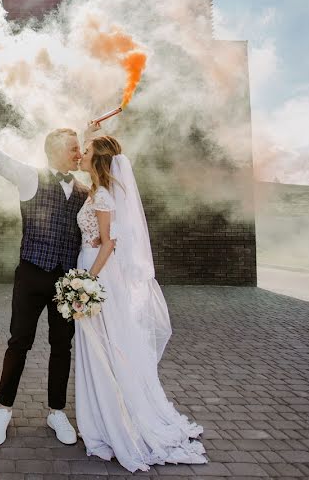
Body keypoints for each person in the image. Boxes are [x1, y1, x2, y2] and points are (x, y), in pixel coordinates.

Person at [0, 94, 96, 447]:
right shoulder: (30, 177)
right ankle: (3, 410)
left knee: (62, 348)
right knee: (19, 343)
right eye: (74, 148)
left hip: (68, 281)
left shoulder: (87, 190)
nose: (78, 153)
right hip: (31, 275)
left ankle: (56, 412)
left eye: (80, 148)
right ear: (55, 150)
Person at [74, 136, 208, 472]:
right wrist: (90, 130)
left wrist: (86, 282)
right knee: (94, 348)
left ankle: (113, 422)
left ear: (99, 161)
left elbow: (108, 244)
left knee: (104, 347)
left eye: (86, 151)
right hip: (89, 268)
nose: (81, 154)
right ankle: (99, 418)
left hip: (96, 273)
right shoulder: (94, 191)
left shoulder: (103, 196)